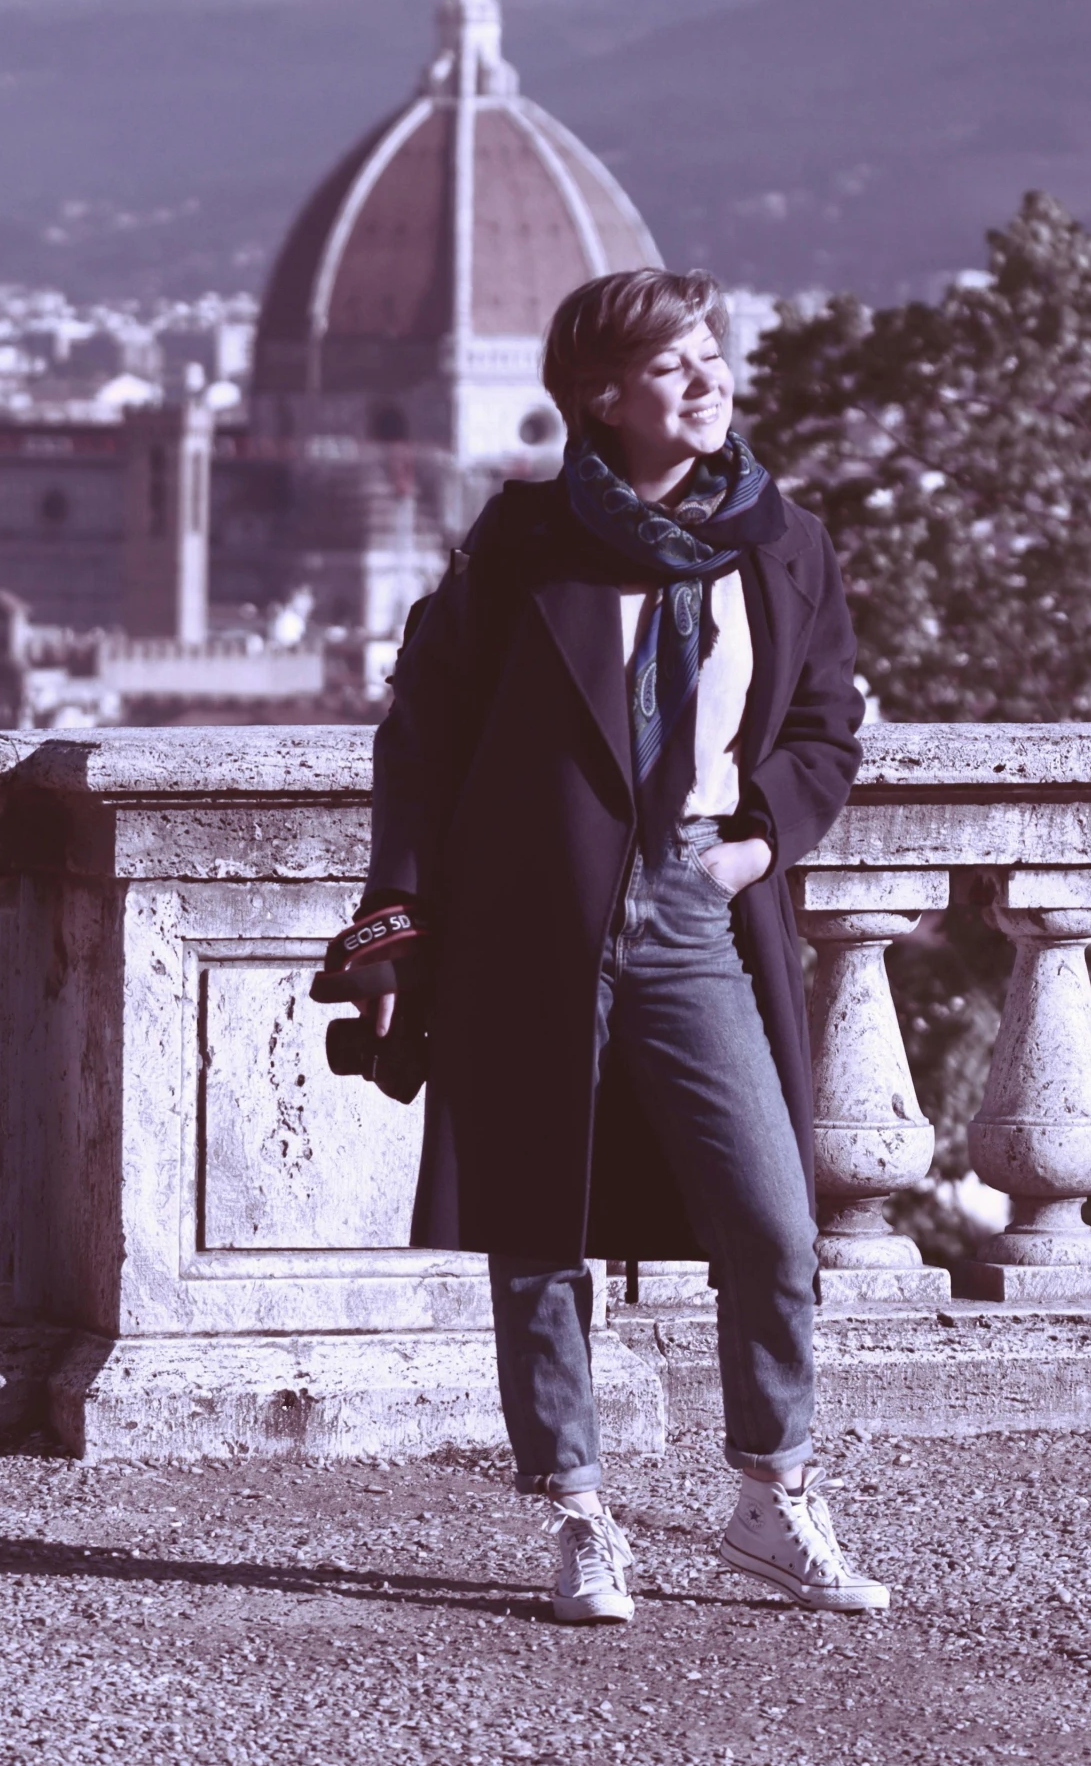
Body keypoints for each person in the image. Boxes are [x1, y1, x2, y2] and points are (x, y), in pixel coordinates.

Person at [346, 267, 886, 1625]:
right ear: (599, 397)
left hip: (695, 908)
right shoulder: (523, 543)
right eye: (671, 364)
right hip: (530, 918)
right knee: (537, 1226)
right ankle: (578, 1512)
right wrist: (396, 914)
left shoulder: (782, 540)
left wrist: (761, 839)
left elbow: (825, 724)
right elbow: (422, 733)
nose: (706, 378)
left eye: (711, 351)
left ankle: (770, 1495)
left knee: (769, 1217)